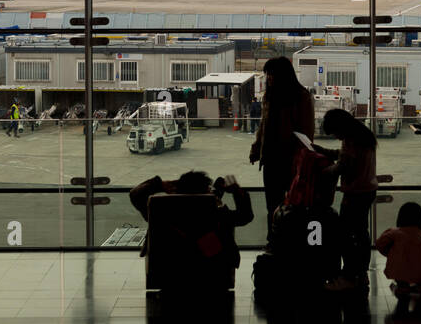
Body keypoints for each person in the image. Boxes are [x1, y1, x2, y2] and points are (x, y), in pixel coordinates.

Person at [129, 171, 254, 273]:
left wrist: (161, 184)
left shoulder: (165, 212)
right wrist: (237, 192)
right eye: (209, 190)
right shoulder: (216, 214)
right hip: (211, 271)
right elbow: (245, 216)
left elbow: (135, 194)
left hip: (171, 270)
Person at [248, 57, 315, 243]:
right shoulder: (269, 97)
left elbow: (306, 132)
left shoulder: (301, 97)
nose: (268, 78)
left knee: (294, 204)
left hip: (291, 161)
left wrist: (302, 159)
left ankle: (290, 241)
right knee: (273, 205)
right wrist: (256, 149)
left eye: (272, 74)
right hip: (271, 159)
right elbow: (263, 127)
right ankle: (275, 240)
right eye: (267, 74)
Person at [314, 108, 377, 292]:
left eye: (335, 133)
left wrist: (322, 173)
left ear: (341, 127)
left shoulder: (351, 139)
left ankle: (349, 276)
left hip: (355, 193)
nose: (337, 137)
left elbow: (343, 165)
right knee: (361, 235)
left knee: (345, 236)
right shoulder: (363, 135)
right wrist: (323, 151)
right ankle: (361, 274)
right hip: (367, 190)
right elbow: (345, 157)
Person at [375, 202, 421, 297]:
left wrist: (390, 253)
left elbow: (379, 244)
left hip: (398, 270)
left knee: (401, 269)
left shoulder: (394, 233)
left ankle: (402, 286)